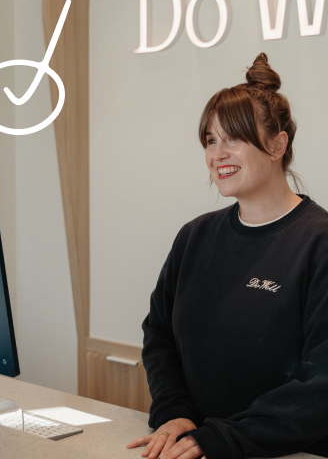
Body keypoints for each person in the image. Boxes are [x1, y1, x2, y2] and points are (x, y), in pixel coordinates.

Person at [127, 54, 328, 459]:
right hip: (195, 447)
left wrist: (223, 437)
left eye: (233, 138)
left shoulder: (318, 242)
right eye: (210, 140)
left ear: (277, 144)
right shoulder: (195, 236)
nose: (218, 154)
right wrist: (175, 412)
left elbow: (321, 385)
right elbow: (160, 334)